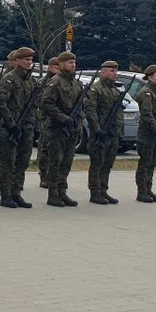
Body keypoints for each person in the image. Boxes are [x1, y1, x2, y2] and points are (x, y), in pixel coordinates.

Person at [0, 48, 38, 209]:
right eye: (26, 60)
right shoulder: (9, 79)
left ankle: (16, 192)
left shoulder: (31, 81)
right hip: (11, 128)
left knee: (22, 161)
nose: (29, 62)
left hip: (26, 128)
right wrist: (11, 123)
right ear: (17, 61)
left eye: (31, 60)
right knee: (8, 162)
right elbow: (0, 103)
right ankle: (6, 195)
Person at [40, 51, 84, 207]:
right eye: (69, 63)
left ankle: (62, 191)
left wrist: (77, 120)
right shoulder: (55, 82)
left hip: (71, 129)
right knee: (55, 162)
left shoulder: (76, 84)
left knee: (67, 161)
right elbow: (46, 104)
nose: (73, 65)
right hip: (57, 128)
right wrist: (63, 118)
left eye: (74, 62)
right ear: (61, 64)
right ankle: (53, 194)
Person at [84, 60, 124, 205]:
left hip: (112, 133)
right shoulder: (96, 89)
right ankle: (95, 192)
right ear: (103, 72)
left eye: (116, 71)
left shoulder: (114, 90)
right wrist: (96, 128)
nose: (115, 74)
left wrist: (119, 131)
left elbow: (118, 113)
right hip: (100, 132)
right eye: (112, 71)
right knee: (97, 163)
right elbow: (90, 110)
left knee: (108, 163)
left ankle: (103, 190)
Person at [134, 64, 156, 203]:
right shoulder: (146, 92)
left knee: (152, 162)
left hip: (155, 133)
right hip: (147, 133)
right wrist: (155, 130)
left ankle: (148, 189)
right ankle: (141, 191)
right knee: (145, 163)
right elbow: (147, 114)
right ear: (149, 77)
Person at [37, 56, 61, 188]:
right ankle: (43, 175)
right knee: (45, 149)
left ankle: (55, 176)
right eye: (56, 67)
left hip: (57, 120)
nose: (58, 70)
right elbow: (41, 101)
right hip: (45, 120)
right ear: (50, 68)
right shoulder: (44, 82)